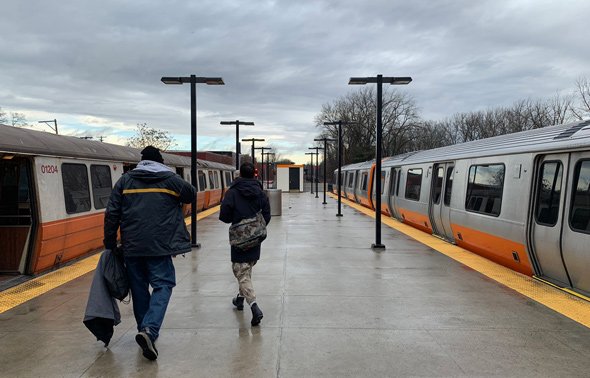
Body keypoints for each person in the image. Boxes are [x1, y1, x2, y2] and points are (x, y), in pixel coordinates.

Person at [103, 145, 196, 360]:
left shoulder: (125, 181)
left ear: (141, 161)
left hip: (132, 247)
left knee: (139, 290)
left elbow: (112, 213)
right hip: (160, 246)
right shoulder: (169, 180)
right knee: (163, 285)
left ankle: (144, 330)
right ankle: (149, 330)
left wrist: (109, 244)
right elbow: (190, 194)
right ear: (160, 161)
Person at [219, 162, 271, 326]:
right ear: (254, 175)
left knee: (241, 272)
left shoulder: (232, 192)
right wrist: (255, 229)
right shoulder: (260, 192)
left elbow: (225, 216)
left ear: (240, 174)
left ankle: (254, 307)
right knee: (246, 269)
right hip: (255, 239)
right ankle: (240, 299)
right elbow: (267, 214)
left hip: (239, 239)